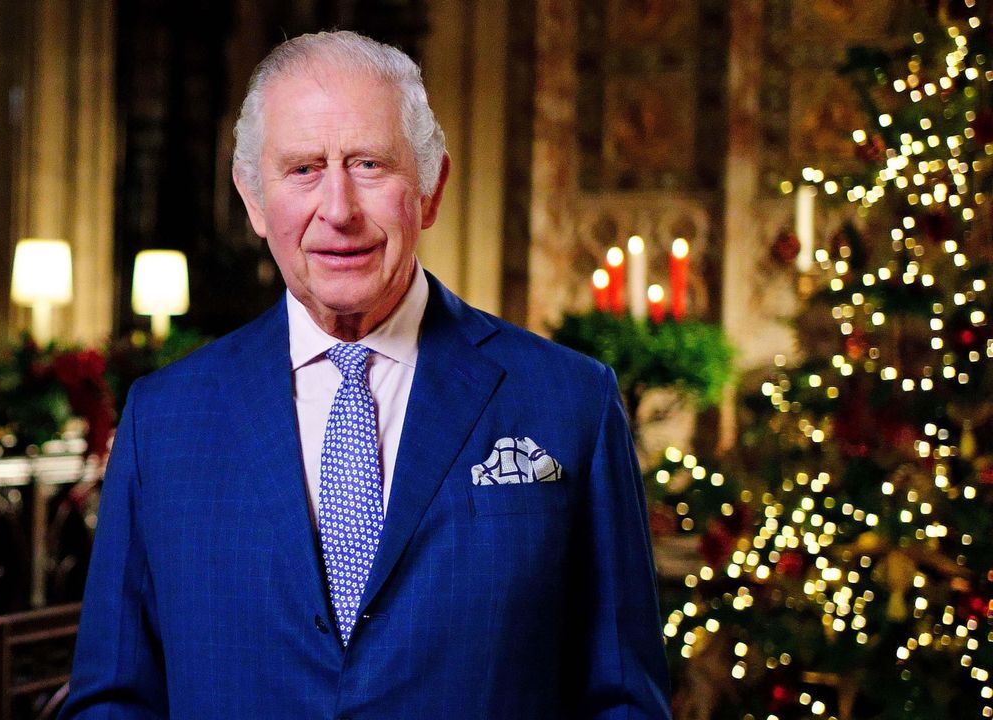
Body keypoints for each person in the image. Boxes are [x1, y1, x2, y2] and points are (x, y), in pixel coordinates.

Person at [61, 30, 670, 719]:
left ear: (430, 188)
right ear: (255, 200)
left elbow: (624, 701)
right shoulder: (164, 419)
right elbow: (113, 700)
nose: (340, 210)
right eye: (303, 170)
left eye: (370, 164)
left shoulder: (569, 403)